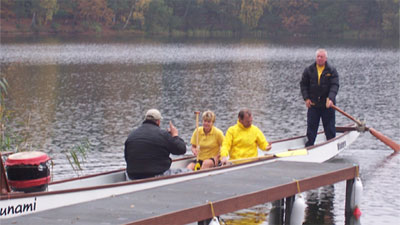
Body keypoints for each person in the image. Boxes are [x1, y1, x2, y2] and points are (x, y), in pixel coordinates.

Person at [124, 109, 187, 180]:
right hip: (156, 175)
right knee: (188, 172)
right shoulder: (163, 135)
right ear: (158, 121)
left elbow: (127, 157)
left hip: (132, 176)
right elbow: (181, 149)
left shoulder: (132, 135)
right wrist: (175, 135)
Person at [300, 49, 339, 147]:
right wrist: (306, 98)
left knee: (329, 129)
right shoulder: (309, 70)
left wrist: (330, 98)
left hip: (327, 106)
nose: (319, 58)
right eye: (318, 56)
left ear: (325, 58)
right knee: (311, 129)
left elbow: (335, 85)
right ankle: (309, 147)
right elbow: (303, 85)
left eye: (321, 57)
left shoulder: (331, 70)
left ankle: (331, 147)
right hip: (313, 105)